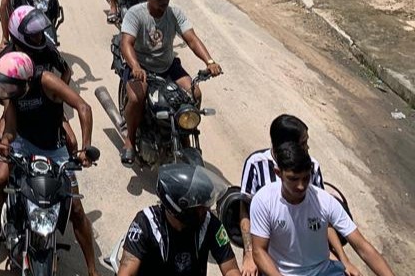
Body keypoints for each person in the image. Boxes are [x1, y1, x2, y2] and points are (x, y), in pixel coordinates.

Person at [0, 52, 98, 273]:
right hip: (23, 143)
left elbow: (84, 107)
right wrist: (5, 141)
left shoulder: (47, 81)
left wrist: (85, 148)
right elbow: (11, 126)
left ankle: (93, 269)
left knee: (76, 209)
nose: (7, 90)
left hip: (55, 148)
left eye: (11, 86)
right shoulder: (12, 90)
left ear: (26, 81)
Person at [250, 143, 395, 276]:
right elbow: (258, 251)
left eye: (306, 178)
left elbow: (362, 247)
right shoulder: (263, 201)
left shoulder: (324, 201)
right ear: (278, 173)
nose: (301, 186)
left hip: (324, 271)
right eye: (293, 179)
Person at [118, 0, 221, 165]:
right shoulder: (135, 14)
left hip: (167, 65)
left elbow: (191, 39)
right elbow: (126, 43)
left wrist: (210, 61)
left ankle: (184, 132)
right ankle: (130, 139)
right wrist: (135, 66)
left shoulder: (174, 13)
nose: (164, 1)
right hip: (141, 67)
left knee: (195, 93)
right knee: (136, 98)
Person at [239, 115, 355, 276]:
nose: (307, 148)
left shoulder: (311, 167)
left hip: (307, 254)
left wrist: (343, 259)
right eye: (303, 143)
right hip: (269, 252)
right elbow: (245, 211)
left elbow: (323, 217)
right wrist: (249, 254)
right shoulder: (256, 164)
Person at [117, 163, 242, 276]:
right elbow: (127, 270)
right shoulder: (145, 224)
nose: (207, 210)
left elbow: (230, 269)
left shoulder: (209, 224)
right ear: (180, 209)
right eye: (200, 206)